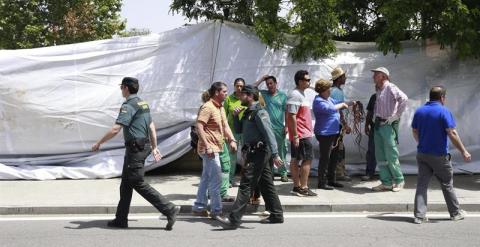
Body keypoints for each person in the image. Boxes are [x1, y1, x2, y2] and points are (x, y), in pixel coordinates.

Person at [91, 77, 180, 230]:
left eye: (121, 88)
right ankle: (120, 219)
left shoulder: (129, 105)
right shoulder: (143, 103)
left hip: (135, 149)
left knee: (136, 181)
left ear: (126, 88)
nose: (121, 90)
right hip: (141, 147)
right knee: (126, 183)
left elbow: (115, 129)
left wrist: (99, 143)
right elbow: (151, 126)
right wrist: (154, 146)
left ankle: (168, 208)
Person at [215, 85, 284, 229]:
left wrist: (276, 154)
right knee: (266, 184)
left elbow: (269, 133)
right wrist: (235, 117)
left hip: (259, 152)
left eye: (242, 95)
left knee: (246, 184)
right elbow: (240, 131)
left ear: (250, 96)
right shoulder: (248, 112)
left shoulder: (260, 112)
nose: (239, 97)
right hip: (253, 152)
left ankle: (234, 219)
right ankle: (277, 214)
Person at [411, 86, 471, 224]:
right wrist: (464, 151)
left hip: (422, 154)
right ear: (442, 98)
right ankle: (455, 213)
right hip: (439, 155)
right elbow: (452, 133)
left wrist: (422, 143)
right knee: (446, 183)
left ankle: (419, 216)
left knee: (422, 185)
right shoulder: (443, 111)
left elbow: (414, 130)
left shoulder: (419, 111)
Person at [192, 81, 238, 218]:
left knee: (206, 178)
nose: (226, 94)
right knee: (216, 180)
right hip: (209, 150)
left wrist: (232, 140)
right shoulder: (208, 107)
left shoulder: (220, 108)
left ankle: (199, 207)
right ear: (217, 92)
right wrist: (207, 146)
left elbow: (225, 126)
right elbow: (199, 127)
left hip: (215, 148)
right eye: (224, 91)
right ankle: (216, 211)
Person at [370, 67, 408, 192]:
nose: (373, 77)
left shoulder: (390, 86)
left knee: (391, 154)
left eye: (376, 74)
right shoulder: (378, 89)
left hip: (387, 125)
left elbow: (404, 98)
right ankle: (386, 182)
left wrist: (396, 116)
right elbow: (378, 105)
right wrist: (375, 116)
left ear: (383, 76)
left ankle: (399, 180)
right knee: (380, 155)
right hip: (379, 124)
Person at [312, 79, 354, 190]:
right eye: (328, 90)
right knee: (325, 158)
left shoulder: (328, 99)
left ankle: (331, 180)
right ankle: (322, 182)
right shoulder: (318, 101)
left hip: (334, 133)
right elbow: (331, 109)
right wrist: (342, 105)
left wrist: (350, 103)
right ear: (322, 90)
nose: (330, 91)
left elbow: (337, 102)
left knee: (334, 157)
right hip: (325, 133)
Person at [287, 70, 317, 196]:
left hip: (301, 133)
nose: (309, 82)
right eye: (307, 80)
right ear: (300, 82)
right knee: (307, 159)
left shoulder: (301, 93)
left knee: (296, 159)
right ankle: (303, 187)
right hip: (301, 134)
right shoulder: (295, 95)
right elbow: (291, 116)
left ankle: (297, 187)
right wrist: (295, 135)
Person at [254, 75, 289, 182]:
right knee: (268, 152)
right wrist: (262, 78)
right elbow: (253, 88)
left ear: (276, 83)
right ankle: (271, 173)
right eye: (267, 84)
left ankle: (283, 173)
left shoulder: (283, 96)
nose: (269, 86)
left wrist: (287, 126)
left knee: (281, 151)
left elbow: (287, 112)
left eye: (271, 83)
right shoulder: (263, 94)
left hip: (279, 128)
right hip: (266, 128)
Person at [329, 67, 352, 182]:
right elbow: (339, 110)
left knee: (336, 148)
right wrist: (345, 125)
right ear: (338, 79)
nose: (345, 78)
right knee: (338, 148)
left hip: (331, 124)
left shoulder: (332, 90)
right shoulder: (337, 92)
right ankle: (338, 172)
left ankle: (336, 171)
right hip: (336, 124)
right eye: (343, 76)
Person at [224, 78, 246, 187]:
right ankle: (229, 179)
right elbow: (223, 116)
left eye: (241, 86)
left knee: (246, 156)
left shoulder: (246, 98)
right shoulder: (228, 99)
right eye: (237, 85)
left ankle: (246, 180)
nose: (239, 88)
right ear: (234, 86)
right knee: (232, 156)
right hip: (233, 132)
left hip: (246, 131)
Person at [362, 92, 377, 181]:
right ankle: (369, 173)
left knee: (388, 152)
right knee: (372, 151)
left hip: (387, 128)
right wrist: (366, 125)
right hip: (374, 128)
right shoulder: (374, 96)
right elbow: (370, 112)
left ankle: (390, 175)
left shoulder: (391, 95)